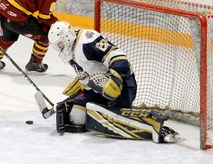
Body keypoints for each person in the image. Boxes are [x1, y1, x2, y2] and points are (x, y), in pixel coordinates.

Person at [48, 21, 180, 143]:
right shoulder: (71, 49)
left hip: (121, 85)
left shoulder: (87, 40)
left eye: (60, 44)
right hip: (96, 89)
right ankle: (100, 109)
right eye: (57, 46)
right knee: (76, 119)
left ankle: (154, 127)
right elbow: (88, 70)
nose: (60, 48)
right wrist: (81, 83)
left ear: (67, 36)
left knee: (108, 120)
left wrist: (115, 81)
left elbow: (118, 57)